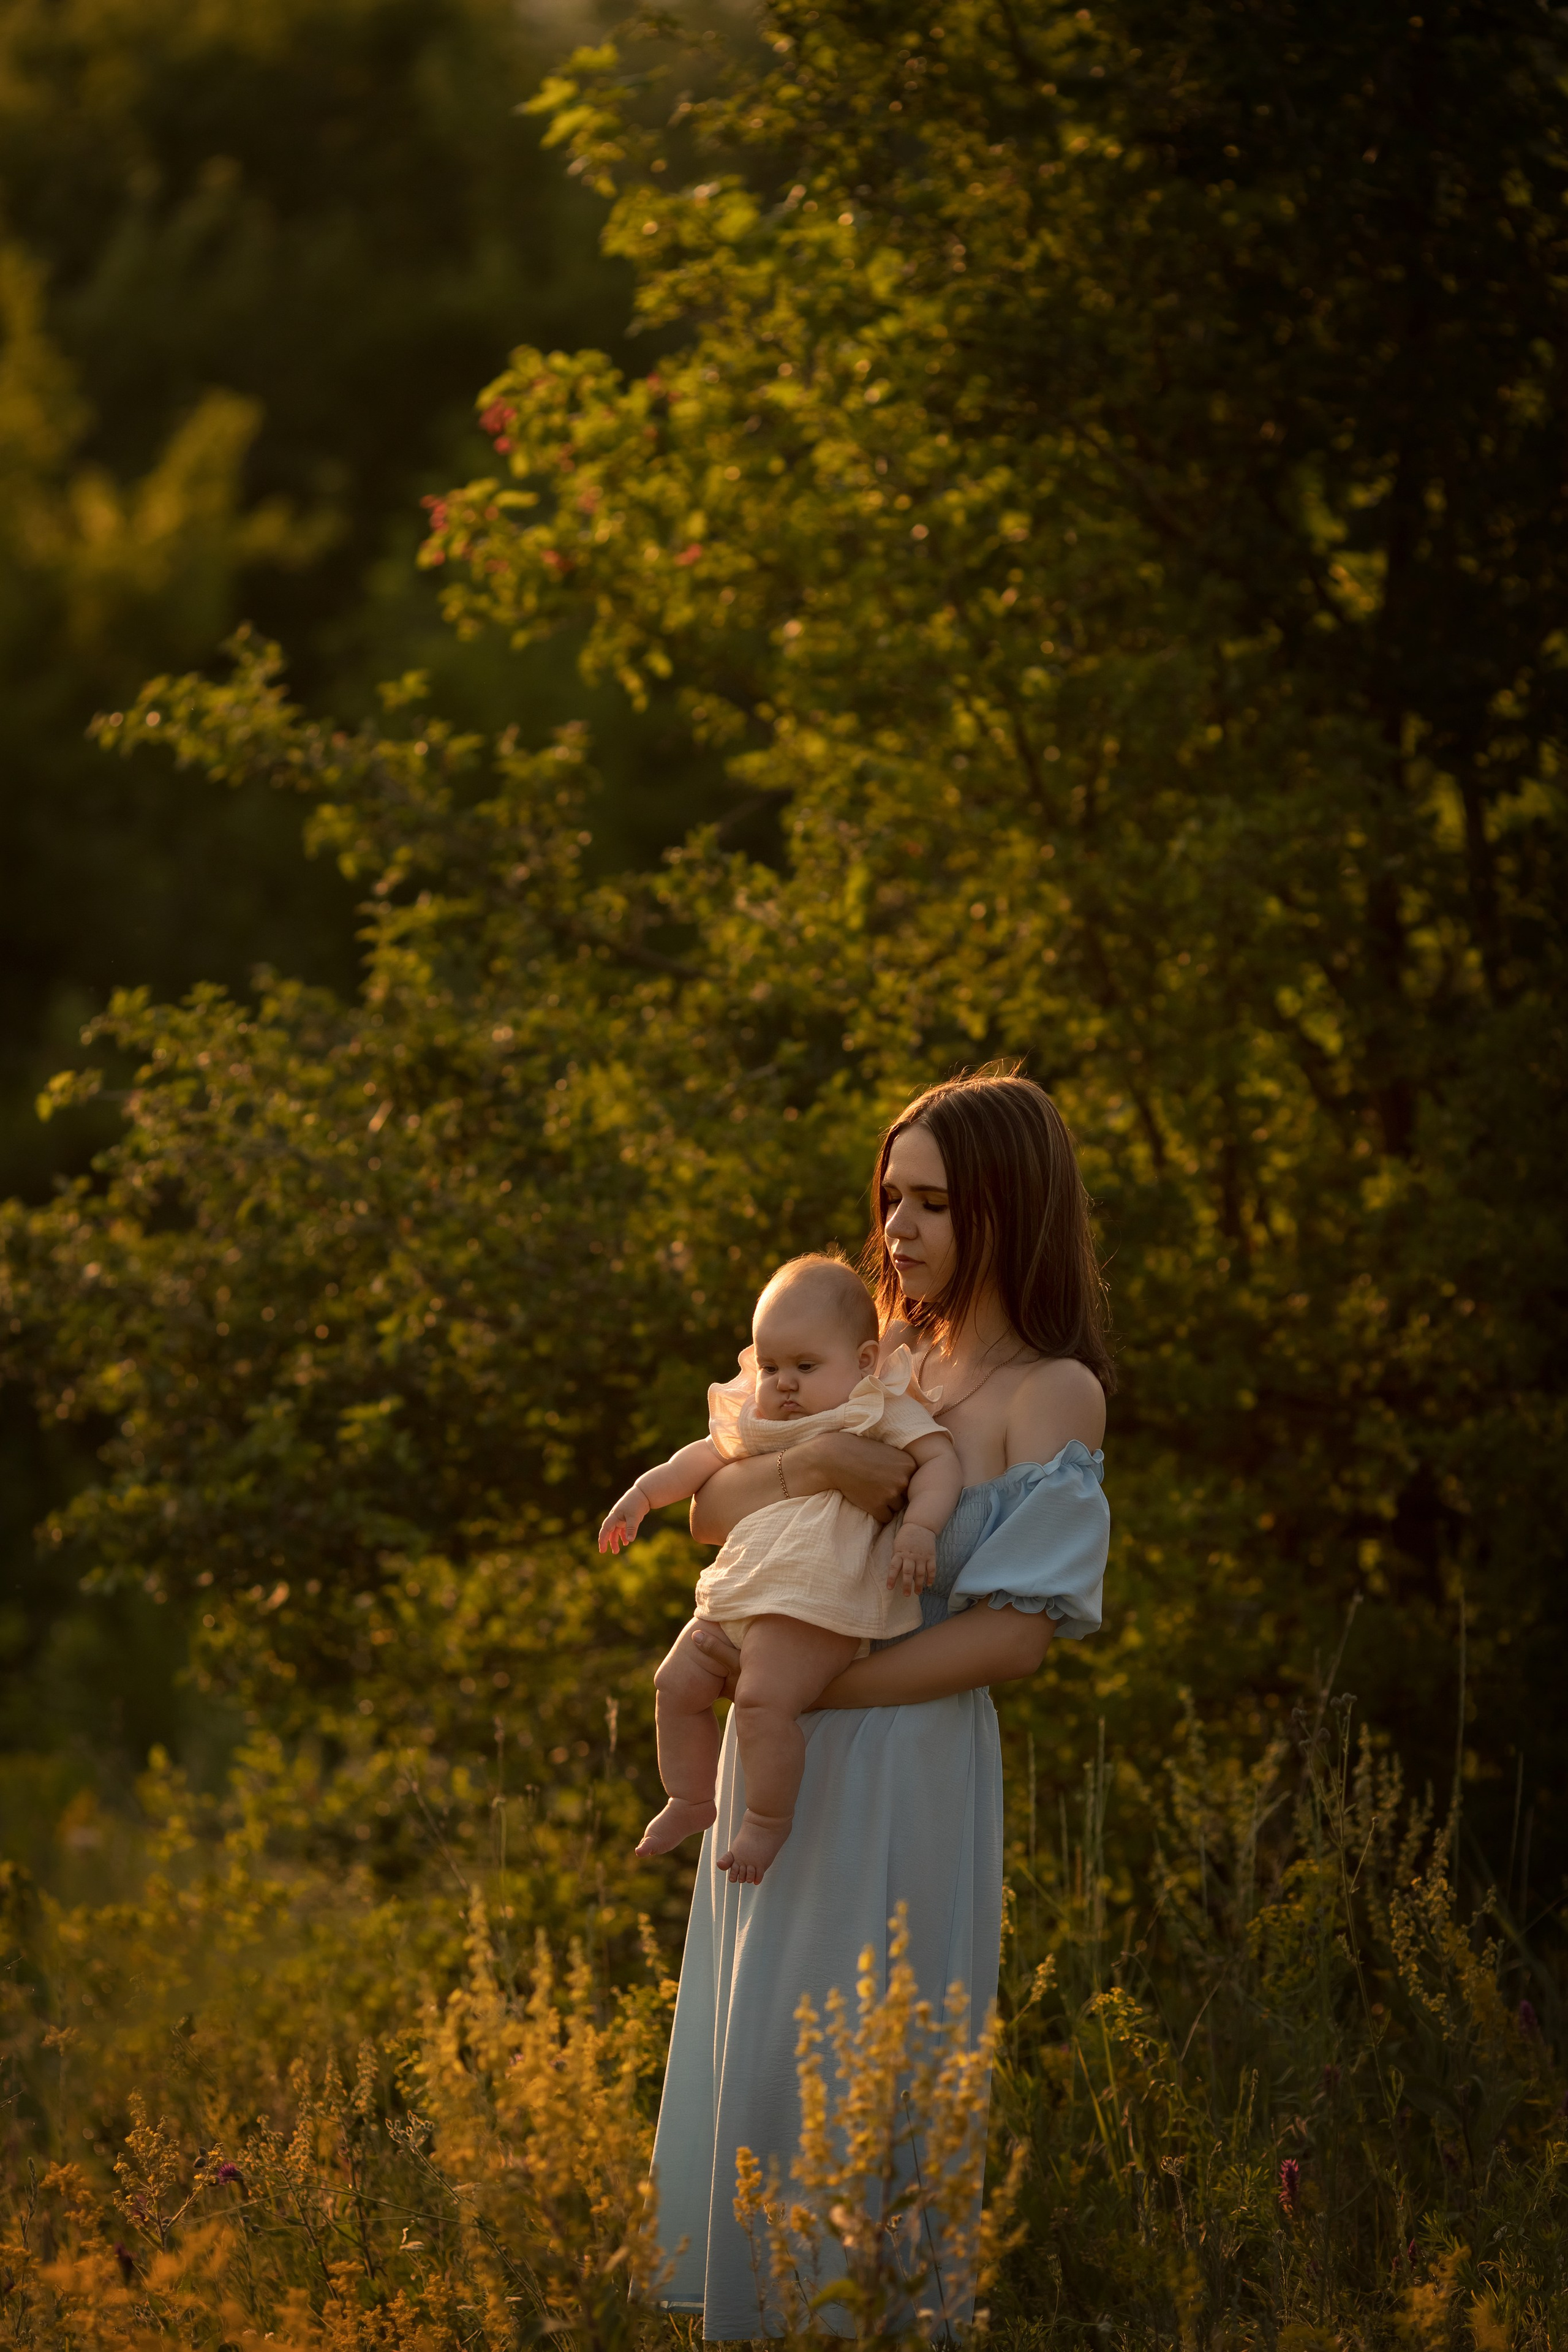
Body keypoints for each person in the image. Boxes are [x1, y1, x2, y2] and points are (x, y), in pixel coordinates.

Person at [649, 1069, 1113, 2340]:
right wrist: (812, 1459)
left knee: (859, 2076)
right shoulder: (875, 1351)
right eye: (890, 1198)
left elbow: (1015, 1638)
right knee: (764, 2083)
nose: (898, 1232)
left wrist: (819, 1683)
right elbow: (713, 1506)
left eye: (935, 1206)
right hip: (783, 1752)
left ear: (1010, 1211)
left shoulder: (1047, 1394)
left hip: (897, 1760)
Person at [598, 1253, 962, 1882]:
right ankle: (688, 1798)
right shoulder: (764, 1419)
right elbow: (701, 1459)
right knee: (674, 1683)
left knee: (763, 1701)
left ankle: (767, 1822)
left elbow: (940, 1462)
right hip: (740, 1593)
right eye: (769, 1367)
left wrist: (921, 1530)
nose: (783, 1383)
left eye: (804, 1366)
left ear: (864, 1362)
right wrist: (641, 1495)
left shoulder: (876, 1408)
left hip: (815, 1601)